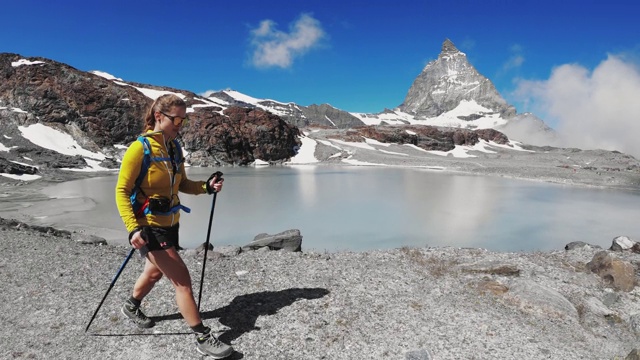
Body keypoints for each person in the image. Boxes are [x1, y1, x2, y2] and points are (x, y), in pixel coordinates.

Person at [115, 94, 233, 359]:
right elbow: (121, 191)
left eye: (184, 119)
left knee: (155, 272)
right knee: (183, 282)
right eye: (175, 118)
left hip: (171, 224)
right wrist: (133, 228)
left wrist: (206, 187)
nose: (180, 123)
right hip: (148, 227)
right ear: (159, 116)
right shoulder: (140, 148)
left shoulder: (174, 148)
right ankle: (202, 336)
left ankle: (131, 305)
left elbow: (182, 185)